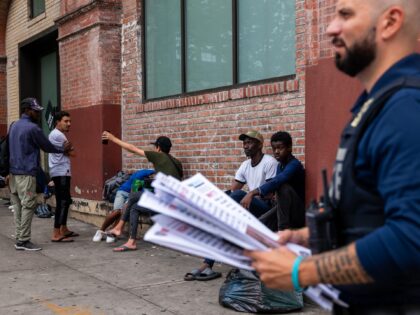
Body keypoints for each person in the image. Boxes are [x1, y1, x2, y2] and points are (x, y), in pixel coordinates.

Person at [246, 0, 420, 314]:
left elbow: (412, 238)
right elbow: (369, 217)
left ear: (390, 22)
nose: (330, 27)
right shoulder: (376, 105)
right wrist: (305, 236)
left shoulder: (406, 108)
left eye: (346, 14)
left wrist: (303, 271)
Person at [184, 130, 278, 281]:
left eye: (250, 142)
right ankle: (207, 264)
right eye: (244, 143)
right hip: (249, 208)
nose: (246, 146)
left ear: (260, 145)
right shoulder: (245, 165)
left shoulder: (269, 162)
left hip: (266, 211)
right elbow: (234, 188)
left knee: (238, 196)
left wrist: (248, 195)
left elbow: (270, 193)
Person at [9, 98, 72, 251]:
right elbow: (47, 146)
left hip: (13, 174)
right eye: (35, 110)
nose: (37, 113)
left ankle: (19, 237)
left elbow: (6, 149)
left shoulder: (14, 125)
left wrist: (5, 172)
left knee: (18, 206)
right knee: (28, 205)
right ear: (26, 110)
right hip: (26, 173)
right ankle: (23, 240)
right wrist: (62, 150)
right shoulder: (33, 128)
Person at [102, 132, 182, 251]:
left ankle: (119, 227)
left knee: (134, 195)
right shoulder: (176, 162)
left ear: (158, 148)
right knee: (135, 207)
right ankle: (131, 242)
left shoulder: (159, 156)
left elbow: (133, 149)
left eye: (155, 147)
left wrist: (113, 139)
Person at [241, 131, 305, 231]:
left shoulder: (294, 164)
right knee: (261, 223)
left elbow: (278, 180)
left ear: (289, 148)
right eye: (274, 148)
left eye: (280, 148)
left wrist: (252, 193)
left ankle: (282, 230)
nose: (276, 151)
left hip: (298, 212)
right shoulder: (280, 165)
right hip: (281, 208)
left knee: (283, 187)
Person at [92, 169, 155, 242]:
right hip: (123, 192)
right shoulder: (144, 172)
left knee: (123, 211)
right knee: (117, 211)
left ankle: (112, 233)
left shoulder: (154, 182)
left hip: (133, 195)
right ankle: (101, 231)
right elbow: (134, 188)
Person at [48, 111, 77, 242]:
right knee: (62, 202)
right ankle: (56, 233)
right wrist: (70, 149)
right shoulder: (58, 135)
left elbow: (71, 151)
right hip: (60, 172)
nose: (69, 124)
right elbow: (73, 153)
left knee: (65, 200)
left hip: (62, 171)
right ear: (57, 122)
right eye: (66, 121)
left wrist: (70, 149)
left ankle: (63, 229)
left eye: (70, 121)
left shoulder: (58, 135)